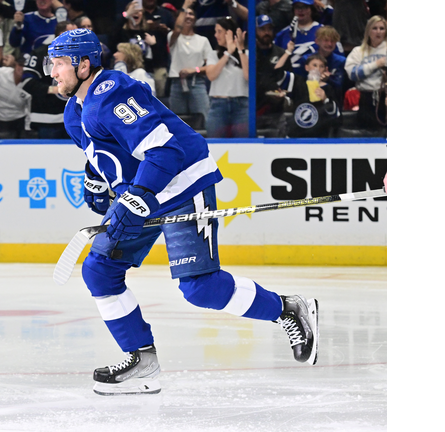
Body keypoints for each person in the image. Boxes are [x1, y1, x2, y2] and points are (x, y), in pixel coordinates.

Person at [46, 28, 319, 396]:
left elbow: (166, 151)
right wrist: (96, 181)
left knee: (200, 288)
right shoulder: (73, 112)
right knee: (100, 271)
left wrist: (137, 196)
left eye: (60, 63)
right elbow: (107, 151)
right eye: (52, 63)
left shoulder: (113, 94)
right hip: (144, 192)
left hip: (182, 184)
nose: (53, 71)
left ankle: (288, 309)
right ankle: (141, 360)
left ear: (83, 64)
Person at [21, 21, 74, 139]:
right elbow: (27, 83)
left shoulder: (79, 57)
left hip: (73, 121)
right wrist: (54, 89)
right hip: (47, 121)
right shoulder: (40, 54)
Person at [168, 3, 213, 125]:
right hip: (177, 83)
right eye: (185, 14)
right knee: (176, 122)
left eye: (191, 14)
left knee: (205, 118)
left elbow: (211, 66)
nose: (188, 16)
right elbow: (177, 29)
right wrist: (185, 6)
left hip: (197, 82)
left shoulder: (203, 40)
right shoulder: (173, 38)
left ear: (195, 19)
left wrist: (195, 70)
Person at [205, 17, 249, 138]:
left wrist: (240, 50)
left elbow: (248, 76)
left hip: (241, 105)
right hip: (218, 104)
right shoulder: (213, 55)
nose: (216, 35)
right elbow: (211, 75)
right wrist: (227, 53)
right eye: (215, 31)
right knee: (214, 143)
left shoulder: (246, 54)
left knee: (243, 144)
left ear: (229, 33)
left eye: (219, 31)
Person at [278, 54, 342, 137]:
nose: (317, 69)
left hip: (320, 137)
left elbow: (337, 117)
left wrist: (325, 99)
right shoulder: (297, 81)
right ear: (306, 67)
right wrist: (287, 52)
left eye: (321, 66)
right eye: (314, 65)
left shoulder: (329, 87)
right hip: (296, 135)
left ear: (325, 70)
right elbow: (276, 73)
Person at [344, 15, 386, 130]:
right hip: (365, 98)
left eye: (382, 28)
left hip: (385, 97)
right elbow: (352, 74)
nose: (378, 32)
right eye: (374, 28)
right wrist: (376, 64)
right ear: (368, 31)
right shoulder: (358, 51)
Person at [255, 14, 292, 115]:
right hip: (253, 107)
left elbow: (288, 79)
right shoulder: (249, 53)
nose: (267, 32)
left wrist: (283, 93)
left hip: (276, 108)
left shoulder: (282, 54)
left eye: (269, 29)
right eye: (262, 29)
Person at [295, 25, 346, 98]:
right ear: (317, 41)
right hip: (307, 97)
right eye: (326, 40)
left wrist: (328, 80)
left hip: (332, 99)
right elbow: (299, 84)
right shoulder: (306, 59)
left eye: (332, 41)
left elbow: (340, 87)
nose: (329, 44)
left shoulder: (341, 61)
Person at [0, 51, 31, 138]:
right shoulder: (0, 73)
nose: (22, 68)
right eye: (20, 64)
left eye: (25, 66)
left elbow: (29, 109)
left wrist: (27, 129)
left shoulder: (31, 84)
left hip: (17, 121)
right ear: (15, 64)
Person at [274, 0, 324, 69]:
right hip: (289, 76)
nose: (300, 10)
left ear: (311, 9)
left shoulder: (323, 31)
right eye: (297, 7)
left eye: (305, 7)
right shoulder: (283, 34)